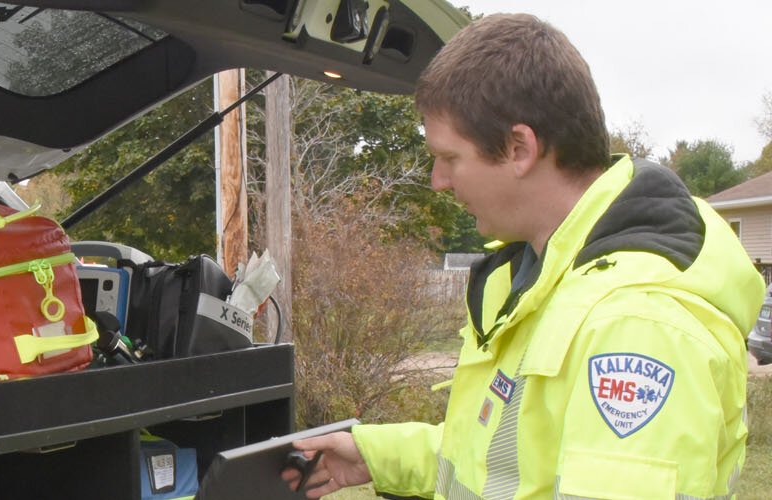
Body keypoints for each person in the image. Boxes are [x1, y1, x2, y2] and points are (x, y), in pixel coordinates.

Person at [280, 13, 761, 499]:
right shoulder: (545, 277)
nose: (438, 181)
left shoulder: (637, 324)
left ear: (518, 148)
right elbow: (502, 463)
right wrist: (375, 454)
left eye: (450, 158)